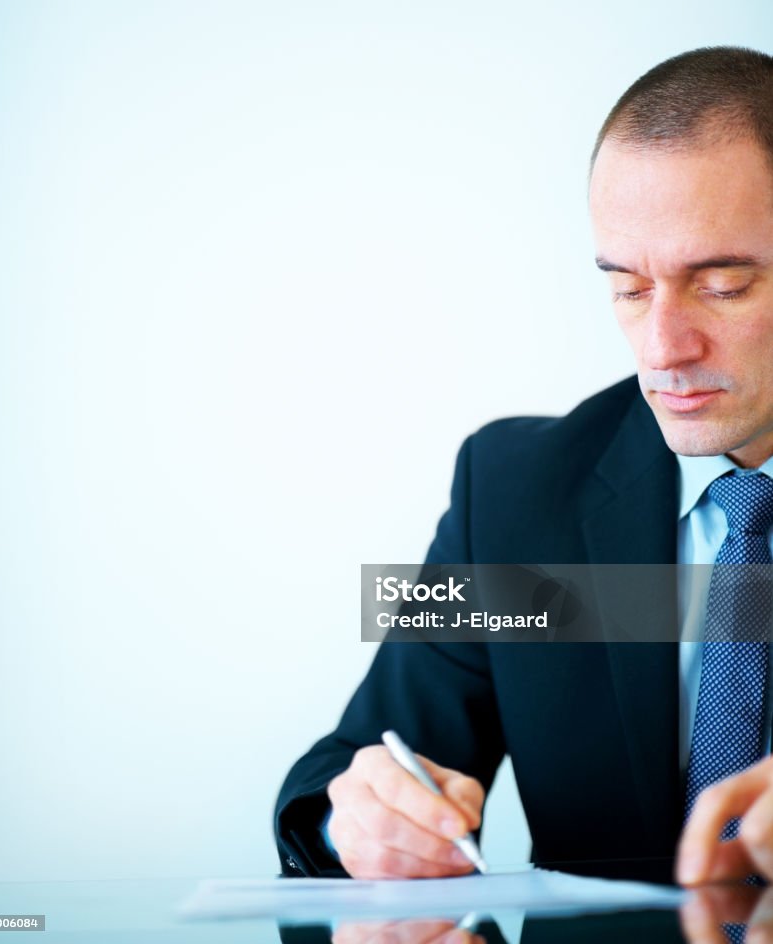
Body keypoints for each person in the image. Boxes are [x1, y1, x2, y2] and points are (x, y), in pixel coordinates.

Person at [274, 46, 773, 887]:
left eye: (721, 286)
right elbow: (346, 772)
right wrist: (357, 823)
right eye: (626, 287)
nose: (663, 350)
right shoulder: (510, 493)